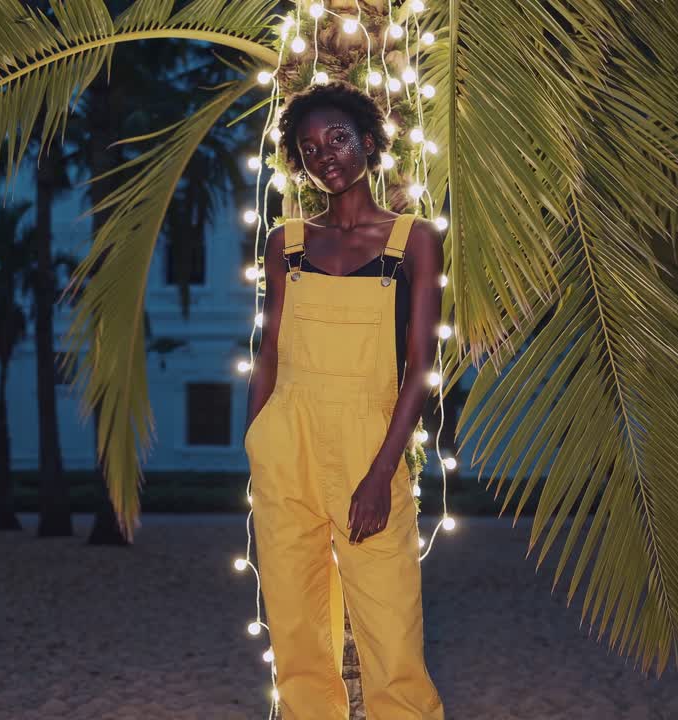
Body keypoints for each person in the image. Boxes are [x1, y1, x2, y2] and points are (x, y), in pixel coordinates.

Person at [243, 81, 446, 720]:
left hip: (371, 443)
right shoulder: (287, 241)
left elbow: (420, 365)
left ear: (367, 140)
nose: (326, 155)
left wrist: (383, 472)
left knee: (392, 637)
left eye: (337, 138)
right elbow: (269, 349)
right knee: (299, 634)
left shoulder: (411, 240)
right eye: (309, 148)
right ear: (299, 164)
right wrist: (258, 442)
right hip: (286, 445)